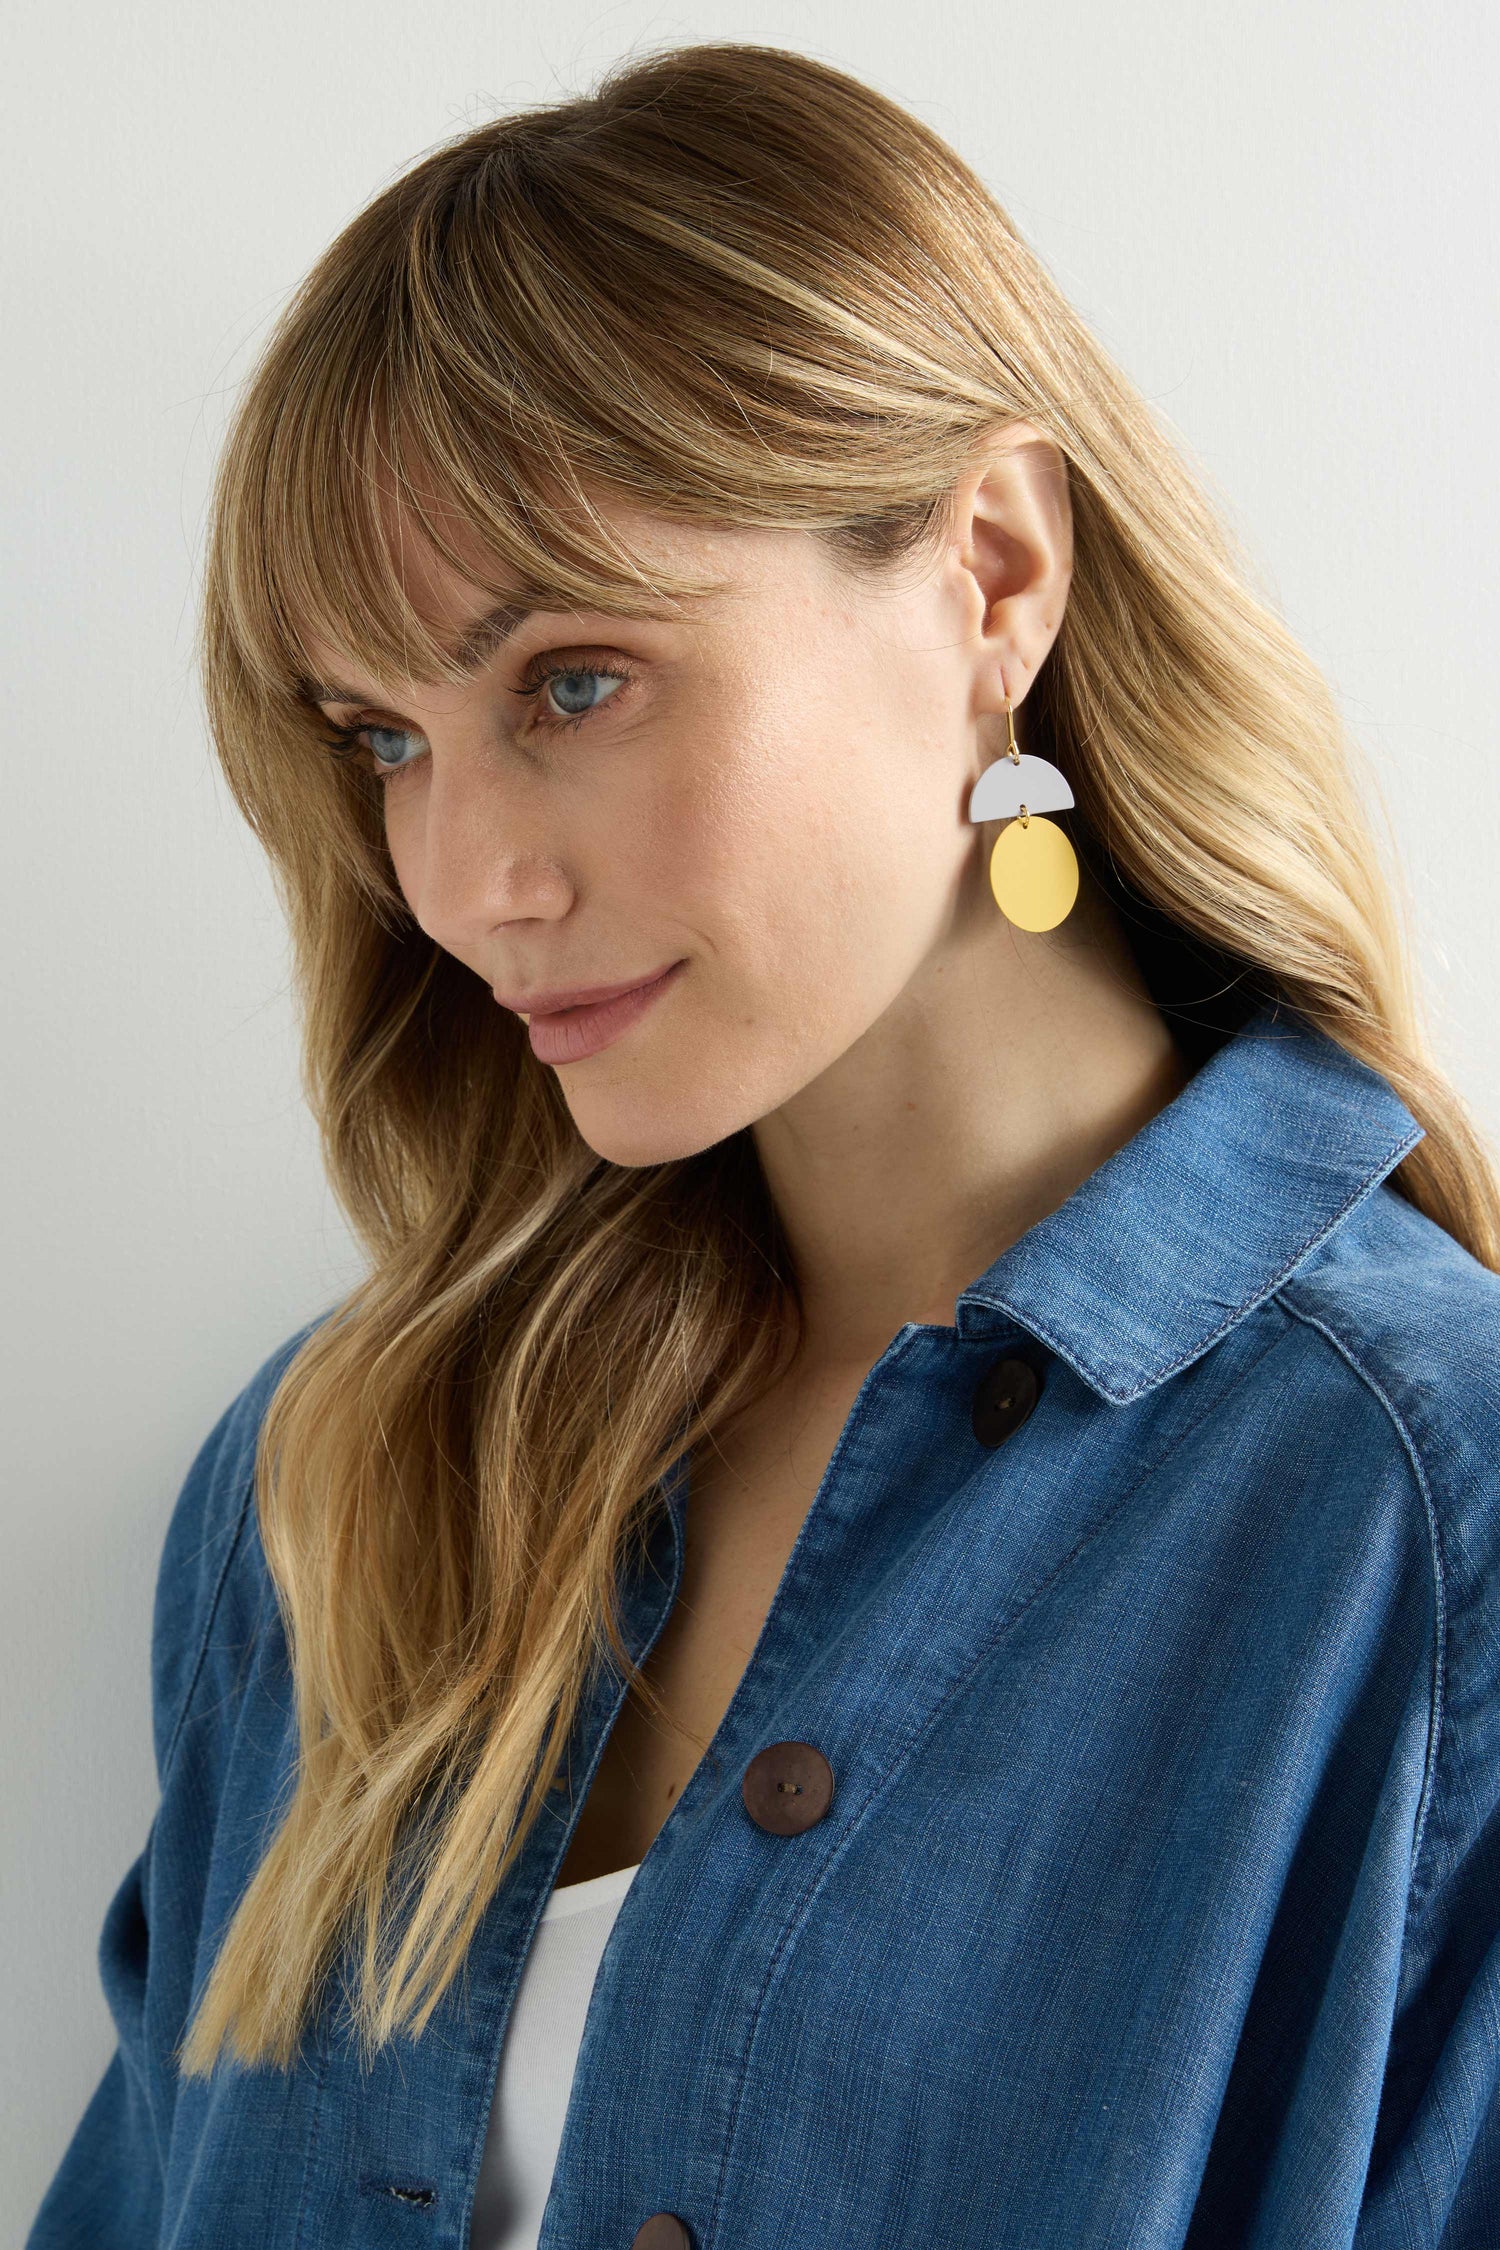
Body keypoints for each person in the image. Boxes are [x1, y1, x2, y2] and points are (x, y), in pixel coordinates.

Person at [27, 39, 1500, 2250]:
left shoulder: (1405, 1528)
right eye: (380, 739)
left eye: (574, 684)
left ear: (991, 577)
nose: (463, 881)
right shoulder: (338, 1491)